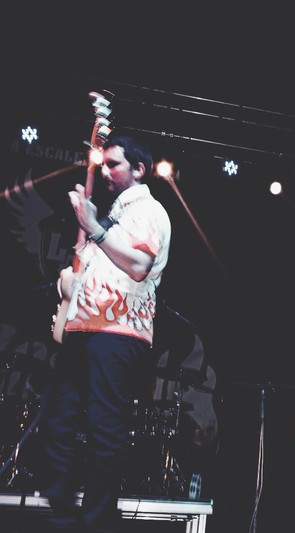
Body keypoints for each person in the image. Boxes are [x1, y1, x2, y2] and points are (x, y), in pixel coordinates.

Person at [35, 134, 171, 532]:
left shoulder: (149, 211)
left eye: (115, 164)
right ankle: (66, 515)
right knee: (56, 422)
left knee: (103, 431)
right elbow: (88, 274)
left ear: (139, 169)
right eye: (104, 164)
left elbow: (139, 266)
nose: (106, 171)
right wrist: (69, 280)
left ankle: (97, 521)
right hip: (83, 331)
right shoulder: (111, 216)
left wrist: (92, 227)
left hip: (118, 333)